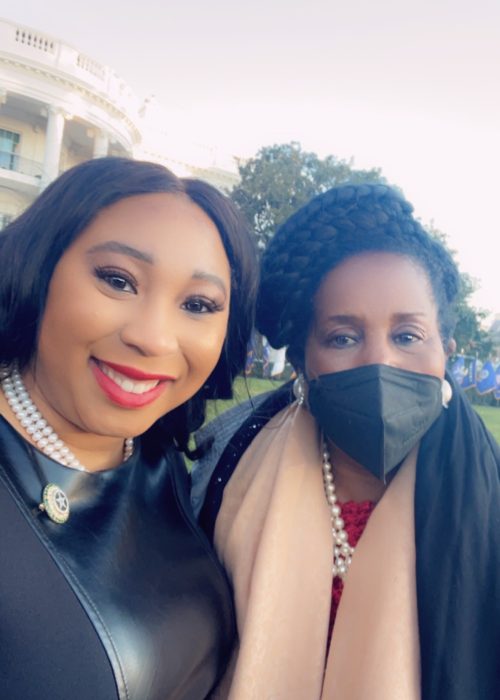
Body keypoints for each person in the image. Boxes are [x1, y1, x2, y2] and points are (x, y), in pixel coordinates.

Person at [196, 183, 500, 699]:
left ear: (445, 351)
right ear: (301, 364)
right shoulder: (224, 470)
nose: (379, 362)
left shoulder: (486, 499)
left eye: (407, 336)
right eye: (343, 337)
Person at [0, 156, 258, 700]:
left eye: (198, 304)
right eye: (118, 280)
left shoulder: (171, 467)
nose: (154, 339)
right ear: (38, 269)